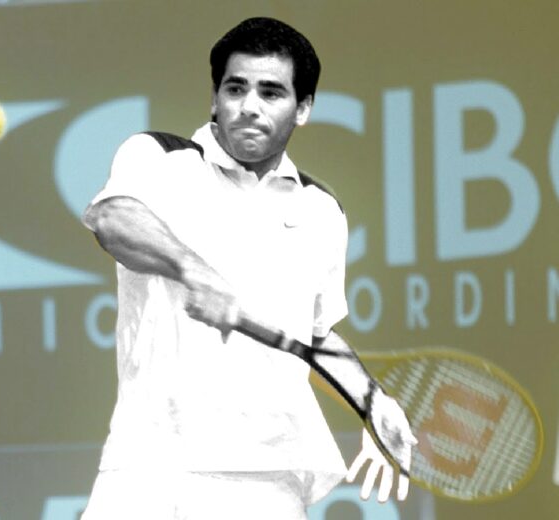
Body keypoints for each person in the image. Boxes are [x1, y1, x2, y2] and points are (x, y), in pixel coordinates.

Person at [80, 16, 414, 520]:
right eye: (235, 89)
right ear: (215, 99)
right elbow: (112, 219)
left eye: (271, 92)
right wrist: (192, 268)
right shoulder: (161, 158)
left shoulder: (321, 211)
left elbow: (313, 335)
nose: (249, 106)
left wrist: (374, 401)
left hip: (268, 479)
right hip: (151, 466)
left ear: (303, 108)